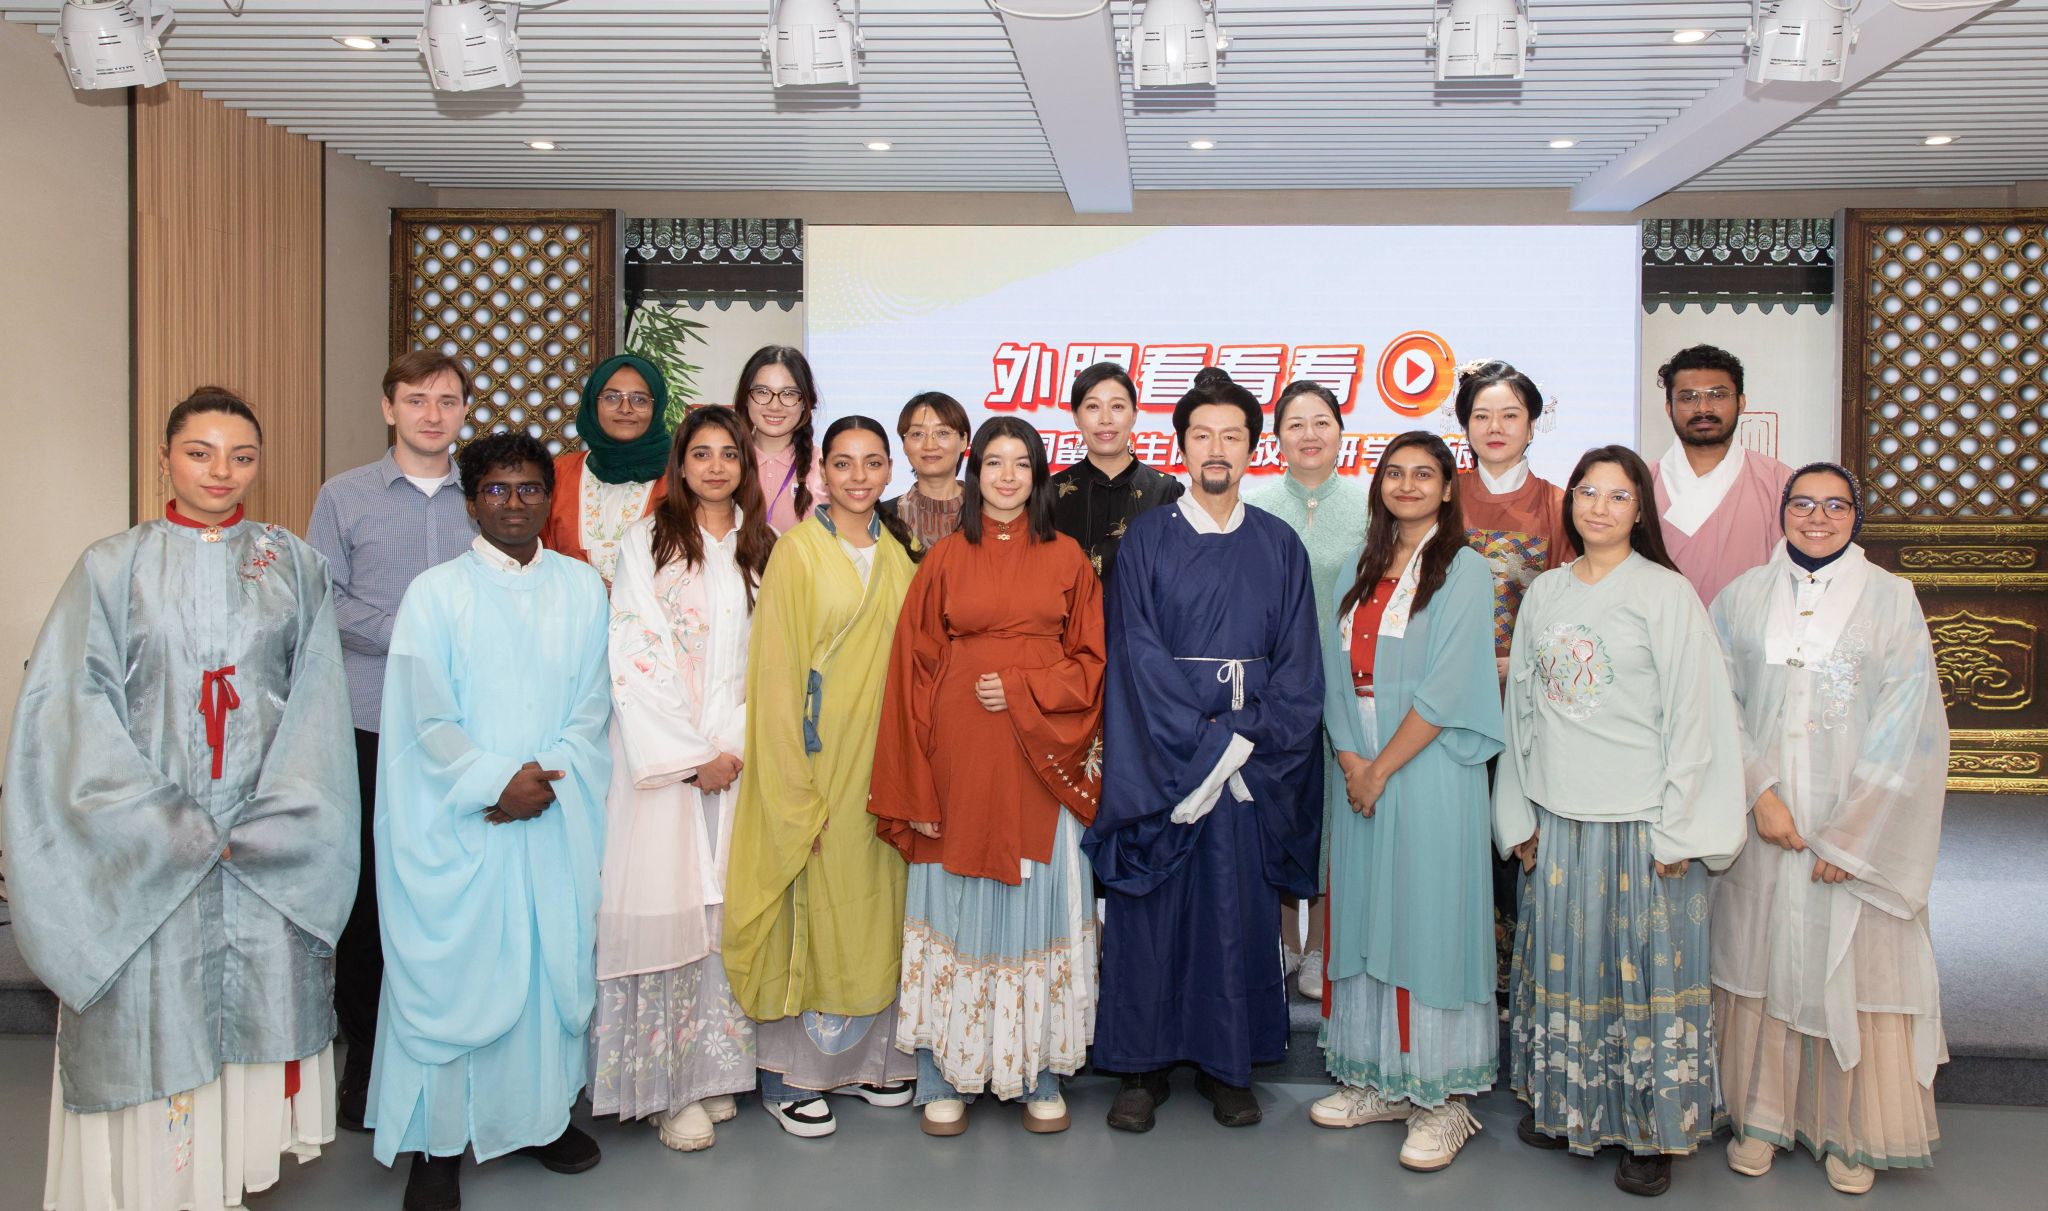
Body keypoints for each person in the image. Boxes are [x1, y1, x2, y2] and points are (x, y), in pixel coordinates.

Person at [6, 387, 358, 1210]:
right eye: (200, 452)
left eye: (241, 455)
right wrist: (163, 822)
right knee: (151, 1018)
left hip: (263, 840)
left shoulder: (291, 566)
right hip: (145, 847)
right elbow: (69, 709)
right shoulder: (111, 567)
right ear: (165, 458)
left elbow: (319, 705)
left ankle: (225, 1180)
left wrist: (276, 818)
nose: (220, 471)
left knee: (249, 1014)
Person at [1494, 445, 1748, 1198]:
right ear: (1570, 503)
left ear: (1640, 510)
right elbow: (1522, 712)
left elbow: (1697, 715)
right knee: (1563, 970)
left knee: (1642, 977)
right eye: (1587, 492)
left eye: (1617, 495)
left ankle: (1649, 1131)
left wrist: (1682, 826)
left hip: (1641, 823)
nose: (1599, 507)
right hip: (1560, 818)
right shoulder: (1546, 591)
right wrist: (1518, 813)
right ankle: (1566, 1105)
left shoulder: (1666, 593)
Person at [368, 433, 613, 1211]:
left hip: (552, 812)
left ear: (550, 496)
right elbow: (421, 718)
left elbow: (594, 705)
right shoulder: (436, 594)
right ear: (472, 502)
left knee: (543, 968)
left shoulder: (582, 588)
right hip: (466, 822)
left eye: (530, 487)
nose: (515, 503)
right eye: (498, 490)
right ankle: (437, 1145)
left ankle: (540, 1119)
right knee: (458, 974)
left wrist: (546, 777)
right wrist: (494, 782)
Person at [1085, 367, 1325, 1133]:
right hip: (1165, 759)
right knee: (1153, 910)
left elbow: (1299, 665)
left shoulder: (1279, 545)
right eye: (1202, 435)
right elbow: (1136, 654)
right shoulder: (1149, 538)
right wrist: (1206, 742)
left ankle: (1229, 1064)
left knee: (1236, 911)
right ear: (1181, 446)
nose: (1216, 448)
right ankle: (1141, 1067)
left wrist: (1245, 737)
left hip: (1249, 763)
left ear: (1254, 448)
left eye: (1231, 435)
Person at [1709, 463, 1949, 1196]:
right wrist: (1759, 793)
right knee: (1762, 958)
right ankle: (1760, 1115)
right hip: (1768, 825)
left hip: (1853, 832)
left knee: (1850, 966)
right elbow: (1719, 704)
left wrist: (1854, 836)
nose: (1818, 517)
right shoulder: (1741, 596)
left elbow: (1909, 722)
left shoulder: (1892, 598)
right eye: (1804, 504)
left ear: (1855, 516)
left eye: (1835, 505)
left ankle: (1852, 1128)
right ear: (1782, 511)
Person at [870, 416, 1108, 1138]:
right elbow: (911, 672)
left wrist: (1026, 687)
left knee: (1038, 900)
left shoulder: (1068, 557)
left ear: (1039, 476)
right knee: (953, 903)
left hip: (1041, 755)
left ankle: (1039, 1072)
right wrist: (915, 780)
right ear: (976, 474)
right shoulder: (944, 556)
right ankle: (944, 1074)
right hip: (958, 756)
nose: (1007, 477)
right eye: (995, 463)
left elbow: (1092, 664)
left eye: (1022, 463)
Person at [1309, 432, 1504, 1172]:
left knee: (1427, 917)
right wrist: (1352, 761)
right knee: (1365, 916)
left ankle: (1441, 1099)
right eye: (1395, 472)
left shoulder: (1465, 570)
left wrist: (1381, 768)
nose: (1408, 484)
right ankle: (1378, 1079)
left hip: (1427, 768)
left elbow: (1450, 684)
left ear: (1449, 488)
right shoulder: (1356, 567)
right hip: (1360, 764)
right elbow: (1330, 674)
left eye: (1425, 473)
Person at [722, 416, 921, 1137]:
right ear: (822, 473)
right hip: (816, 760)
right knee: (814, 900)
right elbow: (775, 675)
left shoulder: (898, 554)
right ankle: (792, 1076)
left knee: (874, 906)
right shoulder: (799, 553)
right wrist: (790, 784)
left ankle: (869, 1064)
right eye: (843, 463)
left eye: (872, 462)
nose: (858, 477)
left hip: (881, 759)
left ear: (889, 471)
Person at [591, 406, 777, 1152]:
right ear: (680, 462)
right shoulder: (648, 541)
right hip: (664, 764)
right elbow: (635, 647)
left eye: (729, 453)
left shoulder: (764, 547)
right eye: (701, 453)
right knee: (668, 910)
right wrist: (692, 754)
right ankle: (668, 1088)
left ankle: (714, 1069)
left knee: (723, 913)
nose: (715, 466)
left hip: (738, 760)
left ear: (745, 465)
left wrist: (733, 746)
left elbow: (776, 660)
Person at [308, 349, 479, 1129]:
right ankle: (368, 1062)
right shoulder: (342, 496)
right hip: (374, 721)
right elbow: (324, 596)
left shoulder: (484, 496)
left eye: (446, 400)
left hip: (468, 730)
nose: (431, 414)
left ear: (464, 410)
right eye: (416, 399)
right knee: (371, 899)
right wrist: (414, 631)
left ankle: (460, 1053)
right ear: (389, 408)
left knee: (458, 892)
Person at [1247, 379, 1371, 1002]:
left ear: (1341, 432)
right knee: (1274, 809)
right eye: (1295, 424)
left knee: (1333, 816)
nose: (1310, 435)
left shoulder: (1371, 505)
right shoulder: (1254, 505)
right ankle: (1281, 940)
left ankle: (1322, 943)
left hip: (1348, 683)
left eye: (1322, 421)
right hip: (1274, 686)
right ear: (1276, 439)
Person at [1451, 359, 1572, 1002]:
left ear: (1533, 424)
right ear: (1464, 425)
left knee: (1523, 835)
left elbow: (1575, 605)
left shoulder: (1560, 504)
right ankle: (1460, 969)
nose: (1495, 427)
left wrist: (1519, 661)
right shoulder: (1442, 494)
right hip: (1449, 701)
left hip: (1530, 701)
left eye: (1510, 414)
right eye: (1481, 415)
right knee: (1458, 834)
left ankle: (1520, 978)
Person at [1647, 345, 1794, 604]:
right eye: (1688, 397)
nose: (1703, 408)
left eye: (1717, 395)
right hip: (1656, 626)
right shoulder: (1641, 482)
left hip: (1747, 627)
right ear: (1669, 408)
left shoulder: (1779, 482)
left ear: (1741, 403)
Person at [540, 353, 672, 587]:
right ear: (593, 404)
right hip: (568, 607)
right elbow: (538, 555)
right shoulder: (558, 473)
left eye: (640, 399)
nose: (625, 408)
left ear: (657, 406)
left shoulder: (680, 478)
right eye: (611, 397)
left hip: (660, 609)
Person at [1049, 360, 1185, 583]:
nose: (1106, 419)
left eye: (1117, 407)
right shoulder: (1049, 493)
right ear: (1076, 416)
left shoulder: (1166, 492)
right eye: (1093, 407)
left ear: (1134, 415)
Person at [735, 344, 828, 534]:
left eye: (788, 394)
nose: (775, 406)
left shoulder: (826, 467)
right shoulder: (727, 462)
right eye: (762, 392)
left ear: (805, 402)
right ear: (746, 397)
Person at [881, 390, 970, 550]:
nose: (930, 445)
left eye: (942, 433)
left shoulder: (989, 512)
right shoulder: (882, 517)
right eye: (917, 434)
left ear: (963, 441)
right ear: (904, 444)